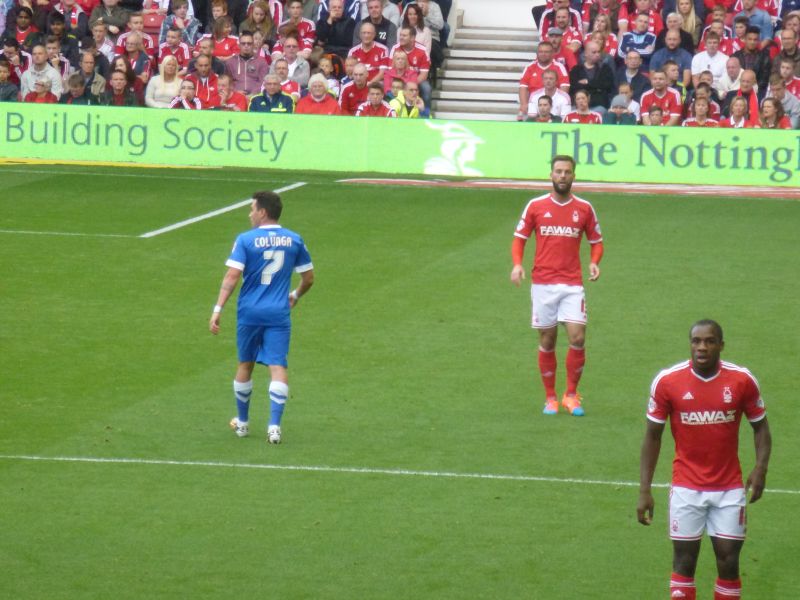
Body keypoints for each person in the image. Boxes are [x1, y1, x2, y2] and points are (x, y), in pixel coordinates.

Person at [637, 319, 772, 600]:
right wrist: (645, 490)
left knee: (728, 561)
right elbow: (652, 436)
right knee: (684, 562)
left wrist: (760, 468)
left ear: (721, 345)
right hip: (686, 488)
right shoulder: (668, 382)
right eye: (696, 341)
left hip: (729, 488)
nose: (702, 347)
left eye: (710, 341)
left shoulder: (741, 380)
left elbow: (760, 427)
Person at [210, 190, 314, 445]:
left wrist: (217, 309)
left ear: (263, 212)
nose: (249, 214)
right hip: (278, 313)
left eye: (252, 209)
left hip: (250, 312)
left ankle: (243, 424)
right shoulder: (294, 240)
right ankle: (274, 427)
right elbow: (309, 278)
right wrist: (295, 295)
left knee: (246, 364)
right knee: (278, 367)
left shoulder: (245, 240)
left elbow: (232, 277)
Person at [510, 155, 603, 416]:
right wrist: (517, 264)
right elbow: (519, 239)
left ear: (574, 176)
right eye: (558, 171)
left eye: (567, 172)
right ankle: (550, 397)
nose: (562, 176)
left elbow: (596, 241)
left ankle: (571, 395)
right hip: (542, 284)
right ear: (551, 175)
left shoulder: (584, 208)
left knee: (578, 337)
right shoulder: (536, 206)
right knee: (547, 340)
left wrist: (595, 262)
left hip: (572, 283)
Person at [225, 29, 270, 95]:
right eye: (243, 43)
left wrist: (253, 94)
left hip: (256, 97)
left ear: (253, 45)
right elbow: (227, 82)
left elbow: (263, 82)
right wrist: (235, 92)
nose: (246, 46)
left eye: (249, 43)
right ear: (239, 45)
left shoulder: (261, 62)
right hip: (236, 96)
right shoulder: (231, 62)